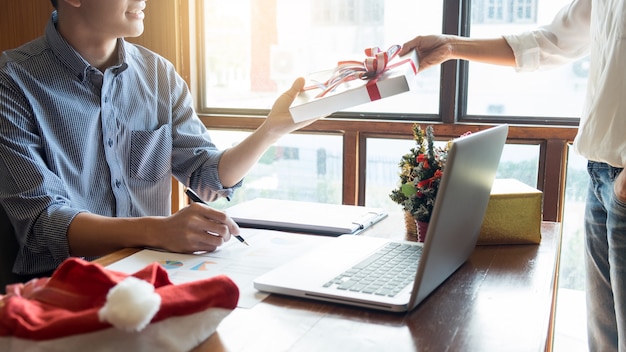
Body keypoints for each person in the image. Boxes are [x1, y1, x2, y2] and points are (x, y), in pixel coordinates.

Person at [0, 0, 321, 280]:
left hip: (151, 278)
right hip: (60, 294)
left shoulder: (159, 74)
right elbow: (44, 223)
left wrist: (270, 131)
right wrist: (161, 231)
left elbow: (207, 177)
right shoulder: (11, 81)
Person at [399, 1, 624, 350]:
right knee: (605, 341)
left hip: (622, 179)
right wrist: (450, 46)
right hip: (601, 172)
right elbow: (550, 42)